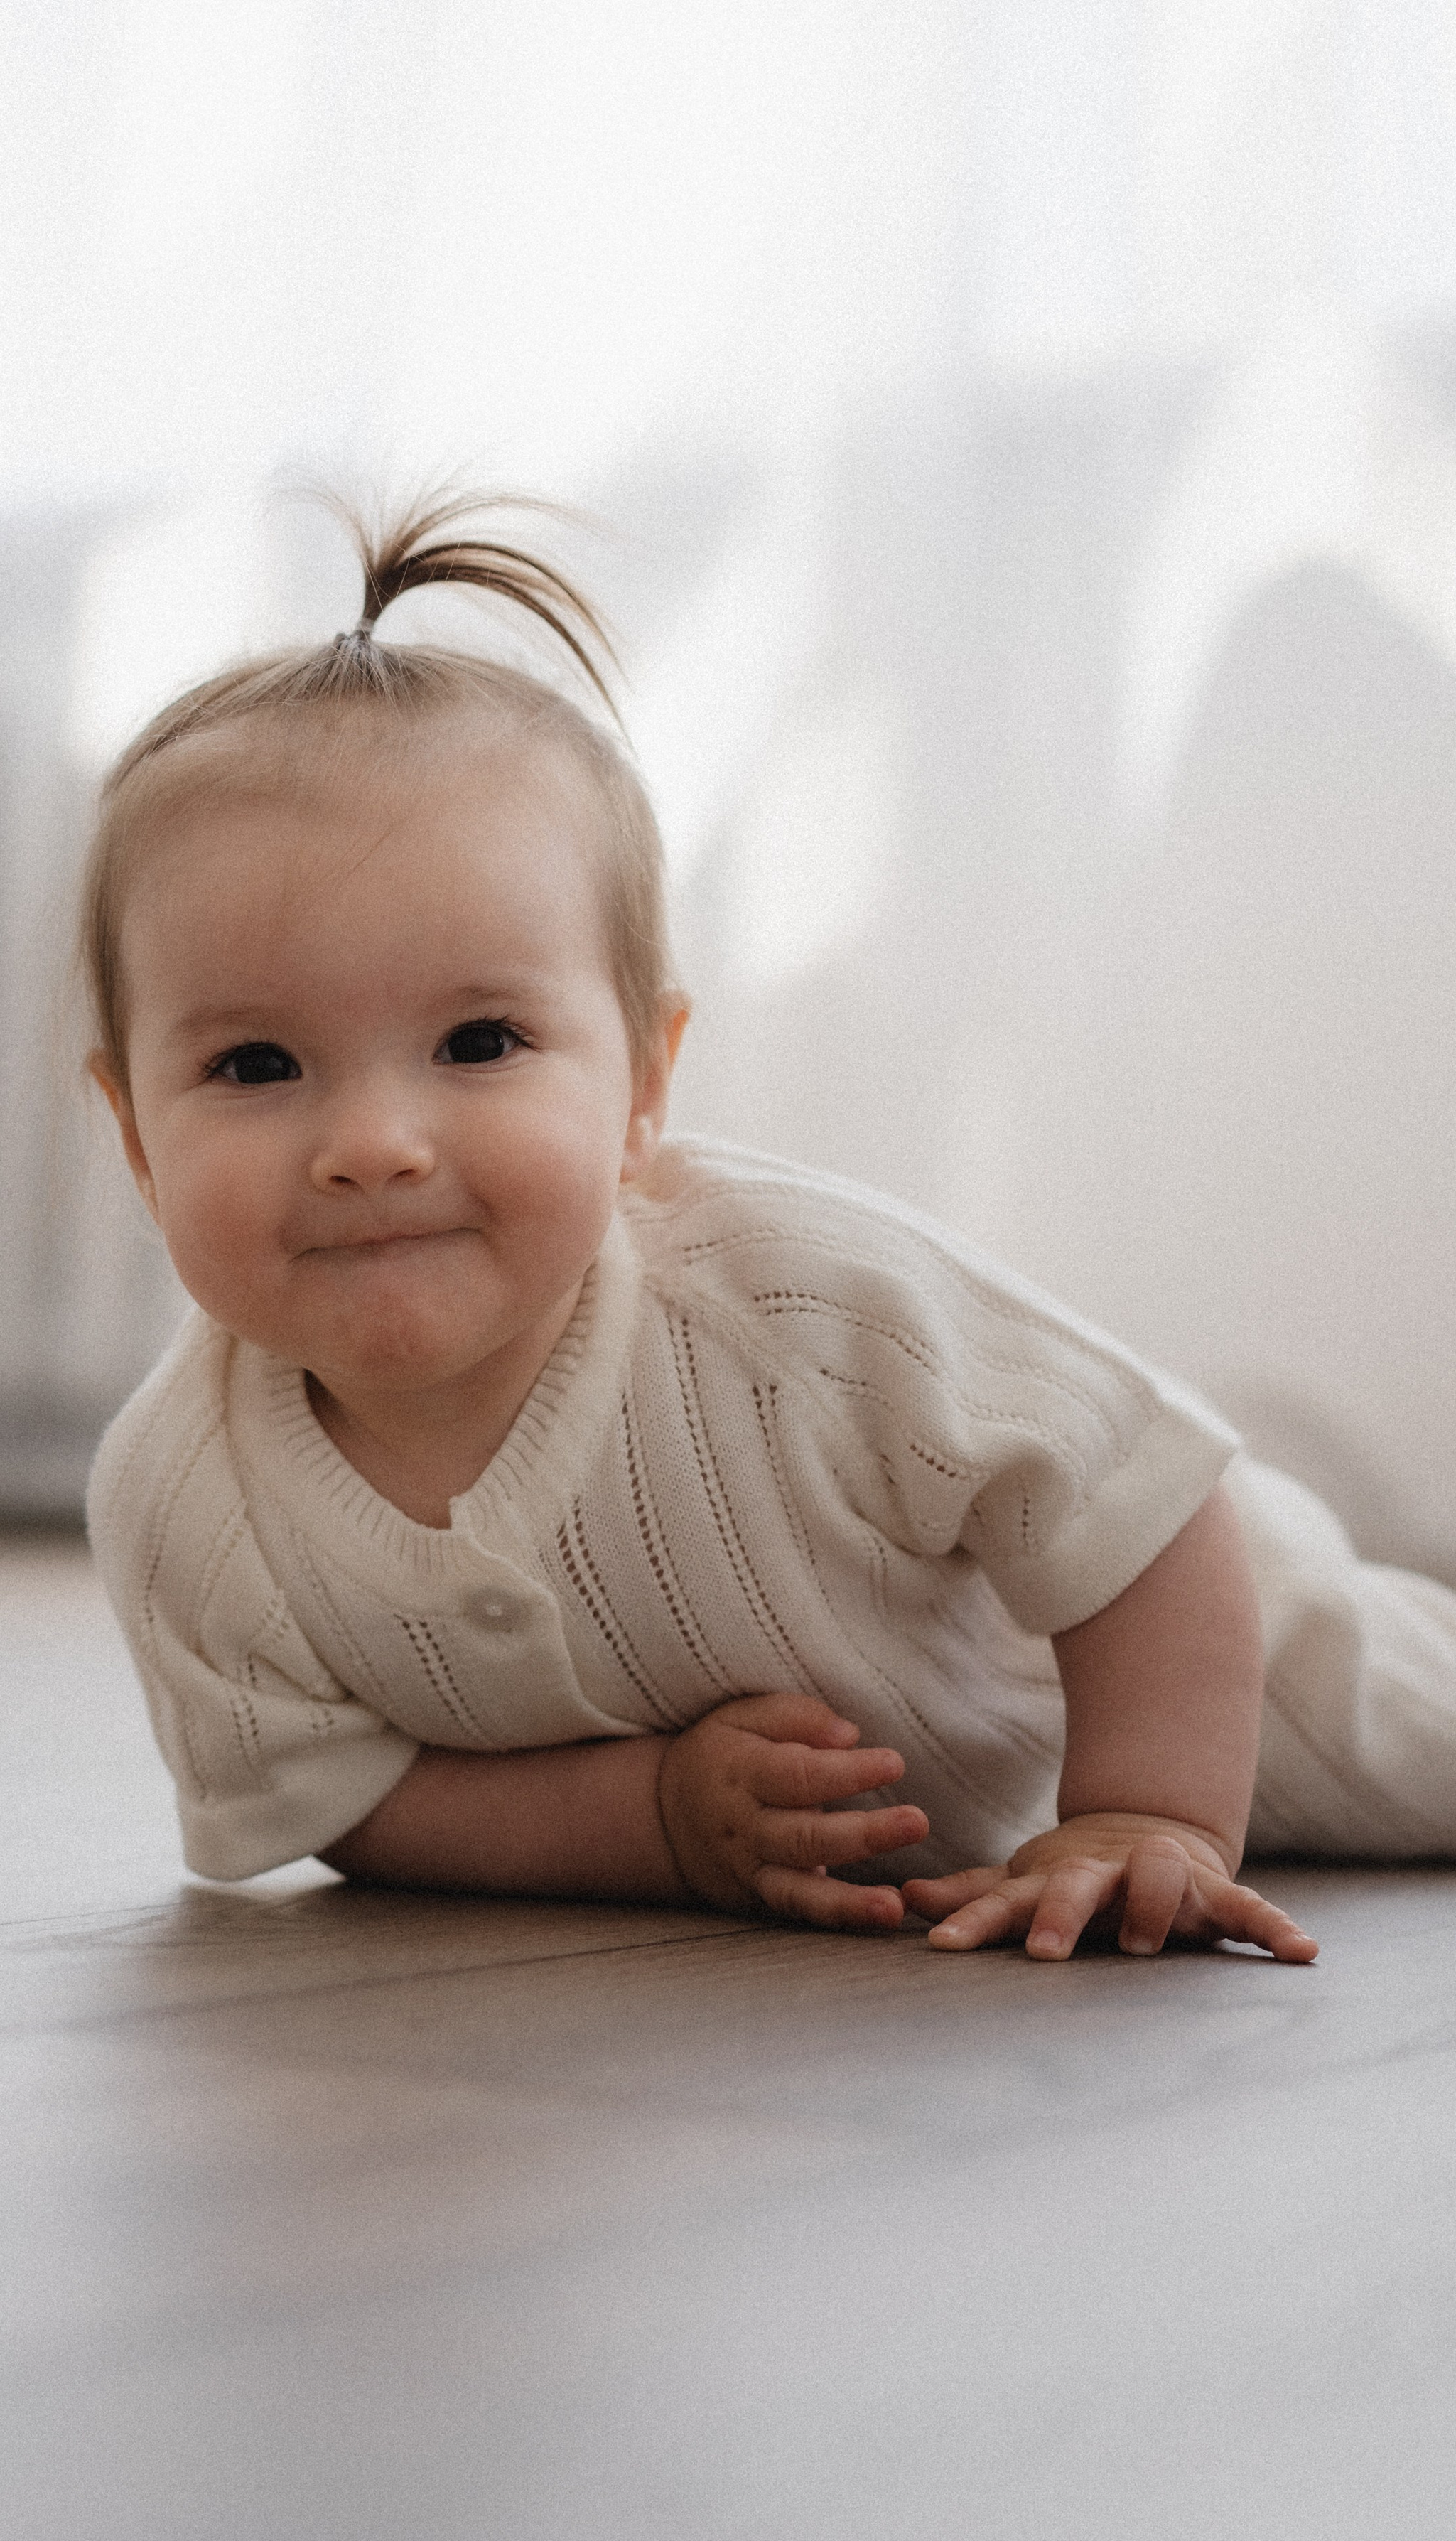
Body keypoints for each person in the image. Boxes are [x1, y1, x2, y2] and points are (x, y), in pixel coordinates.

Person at [84, 494, 1456, 1963]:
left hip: (1187, 1664)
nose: (370, 1147)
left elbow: (1140, 1493)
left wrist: (1146, 1814)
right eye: (254, 1067)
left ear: (641, 1085)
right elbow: (340, 1797)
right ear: (133, 1137)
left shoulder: (798, 1304)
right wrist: (652, 1820)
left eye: (478, 1042)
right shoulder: (187, 1503)